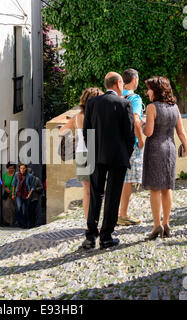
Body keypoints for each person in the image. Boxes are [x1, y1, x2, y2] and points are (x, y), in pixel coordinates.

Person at [82, 72, 135, 250]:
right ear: (119, 84)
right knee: (112, 196)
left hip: (96, 156)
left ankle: (90, 237)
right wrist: (126, 154)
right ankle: (106, 236)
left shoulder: (92, 103)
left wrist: (92, 153)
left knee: (96, 194)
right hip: (117, 157)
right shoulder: (124, 103)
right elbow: (130, 135)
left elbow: (86, 132)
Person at [142, 76, 187, 240]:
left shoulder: (151, 108)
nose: (147, 92)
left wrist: (141, 124)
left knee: (155, 188)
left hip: (155, 148)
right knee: (167, 187)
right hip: (170, 148)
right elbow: (181, 131)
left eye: (149, 88)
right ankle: (167, 223)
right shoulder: (174, 107)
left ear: (155, 90)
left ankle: (157, 226)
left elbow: (148, 132)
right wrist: (186, 146)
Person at [59, 87, 104, 220]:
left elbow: (62, 131)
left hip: (81, 154)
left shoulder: (77, 117)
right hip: (97, 154)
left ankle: (89, 222)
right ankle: (97, 220)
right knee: (98, 191)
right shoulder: (100, 116)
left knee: (87, 192)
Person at [118, 69, 145, 226]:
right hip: (130, 143)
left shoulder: (117, 95)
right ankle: (123, 214)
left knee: (119, 179)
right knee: (127, 181)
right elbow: (135, 119)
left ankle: (116, 212)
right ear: (134, 79)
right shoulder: (134, 98)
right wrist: (140, 139)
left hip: (116, 142)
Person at [12, 164, 35, 229]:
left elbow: (32, 187)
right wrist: (13, 194)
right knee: (19, 208)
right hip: (18, 194)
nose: (22, 170)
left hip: (26, 194)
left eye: (23, 168)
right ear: (19, 169)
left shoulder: (29, 176)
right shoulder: (16, 174)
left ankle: (25, 224)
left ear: (26, 169)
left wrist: (29, 194)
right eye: (21, 168)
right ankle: (20, 222)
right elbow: (14, 184)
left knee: (26, 210)